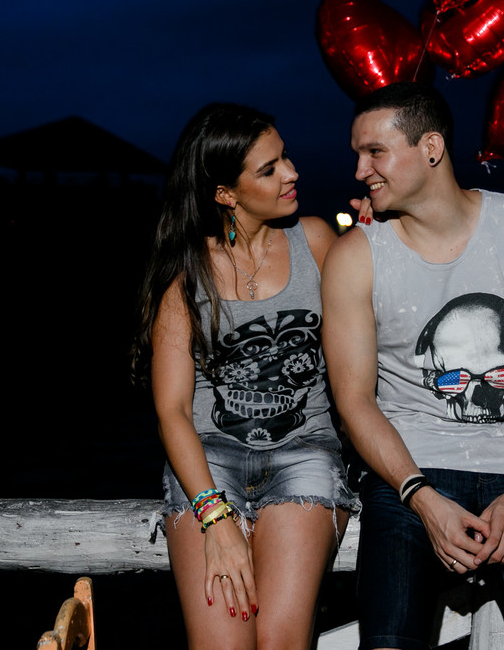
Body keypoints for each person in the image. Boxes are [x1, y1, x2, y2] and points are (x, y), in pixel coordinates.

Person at [322, 82, 504, 649]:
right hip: (408, 471)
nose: (360, 170)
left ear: (431, 148)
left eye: (375, 152)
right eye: (357, 154)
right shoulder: (356, 256)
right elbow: (353, 400)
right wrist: (420, 497)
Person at [131, 103, 357, 650]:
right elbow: (172, 411)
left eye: (286, 157)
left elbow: (378, 323)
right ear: (225, 194)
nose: (292, 173)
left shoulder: (317, 242)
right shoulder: (187, 274)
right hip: (209, 463)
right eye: (270, 169)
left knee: (279, 641)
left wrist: (380, 239)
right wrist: (215, 519)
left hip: (305, 453)